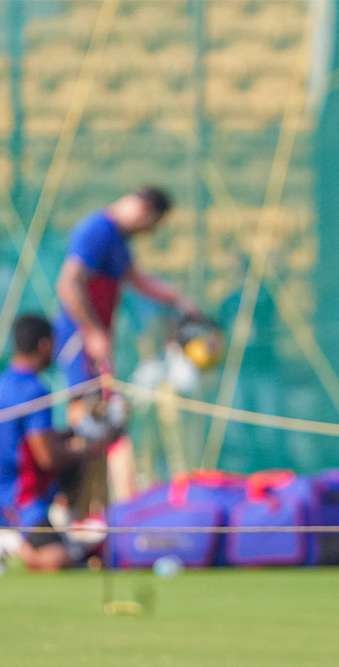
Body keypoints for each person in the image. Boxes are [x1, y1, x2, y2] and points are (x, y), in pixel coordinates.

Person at [53, 187, 197, 411]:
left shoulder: (119, 239)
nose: (147, 233)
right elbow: (68, 285)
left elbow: (138, 280)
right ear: (144, 211)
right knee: (86, 404)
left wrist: (180, 300)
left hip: (99, 338)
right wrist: (92, 331)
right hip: (80, 338)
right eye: (151, 226)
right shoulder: (98, 230)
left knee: (105, 404)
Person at [0, 315, 104, 571]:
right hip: (20, 503)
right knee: (62, 558)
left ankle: (61, 527)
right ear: (44, 345)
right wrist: (88, 451)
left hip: (9, 494)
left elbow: (23, 441)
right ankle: (13, 543)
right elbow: (46, 456)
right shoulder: (34, 390)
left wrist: (73, 433)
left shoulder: (4, 383)